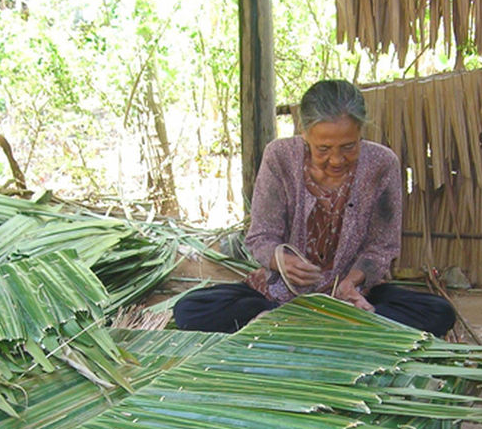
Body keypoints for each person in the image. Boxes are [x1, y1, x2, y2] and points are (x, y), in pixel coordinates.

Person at [173, 79, 455, 336]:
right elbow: (261, 235)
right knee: (190, 309)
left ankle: (293, 323)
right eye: (323, 148)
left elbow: (381, 247)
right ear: (304, 133)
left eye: (348, 147)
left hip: (352, 296)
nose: (336, 159)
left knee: (439, 312)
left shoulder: (382, 164)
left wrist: (351, 283)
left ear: (361, 133)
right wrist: (280, 261)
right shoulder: (280, 157)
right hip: (279, 294)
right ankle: (334, 324)